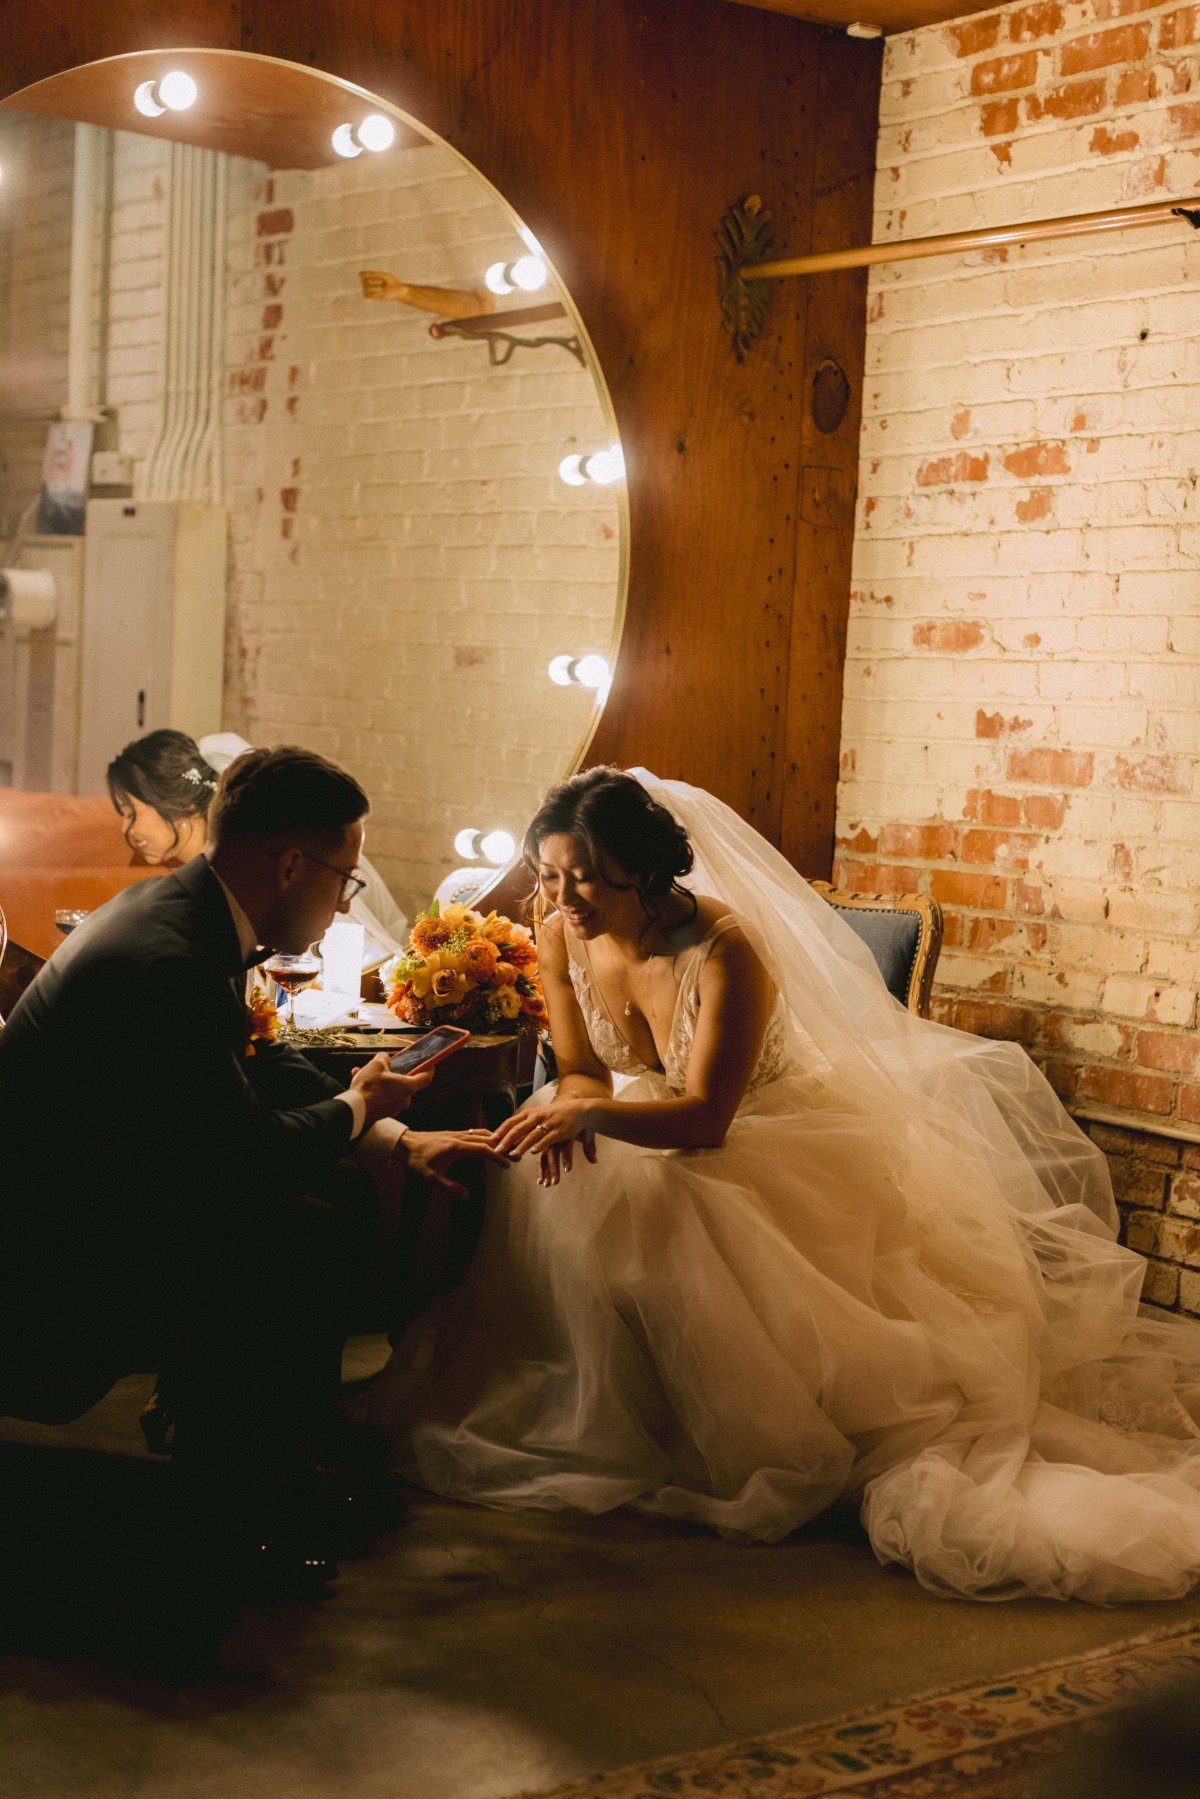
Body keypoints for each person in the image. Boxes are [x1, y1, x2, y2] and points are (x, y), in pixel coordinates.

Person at [368, 766, 1200, 1605]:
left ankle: (740, 1433)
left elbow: (705, 1120)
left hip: (762, 1136)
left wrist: (593, 1120)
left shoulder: (724, 951)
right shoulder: (558, 930)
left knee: (680, 1203)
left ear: (644, 868)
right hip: (641, 1122)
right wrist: (573, 1110)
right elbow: (583, 1072)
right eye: (550, 874)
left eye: (583, 874)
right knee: (560, 1178)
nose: (562, 895)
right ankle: (628, 1416)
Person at [0, 745, 509, 1592]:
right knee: (292, 1234)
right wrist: (359, 1107)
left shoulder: (182, 911)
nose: (345, 898)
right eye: (344, 878)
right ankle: (235, 1510)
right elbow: (238, 1151)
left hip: (93, 1194)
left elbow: (257, 1063)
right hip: (46, 1249)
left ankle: (268, 1467)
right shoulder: (168, 955)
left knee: (319, 1200)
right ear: (288, 864)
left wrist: (392, 1136)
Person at [108, 727, 409, 948]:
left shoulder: (191, 902)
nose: (126, 830)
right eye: (342, 880)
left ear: (179, 804)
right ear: (288, 867)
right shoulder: (183, 936)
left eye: (131, 812)